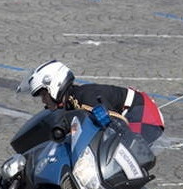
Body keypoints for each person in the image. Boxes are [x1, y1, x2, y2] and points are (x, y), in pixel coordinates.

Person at [17, 60, 165, 145]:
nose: (43, 100)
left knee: (126, 152)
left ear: (54, 86)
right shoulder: (71, 102)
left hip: (143, 113)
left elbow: (117, 124)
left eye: (44, 94)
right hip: (135, 112)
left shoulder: (85, 100)